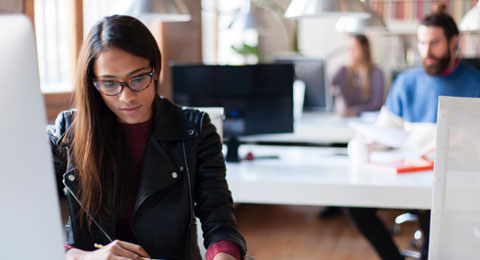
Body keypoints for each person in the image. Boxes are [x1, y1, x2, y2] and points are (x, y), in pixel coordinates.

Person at [48, 15, 246, 260]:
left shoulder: (196, 130)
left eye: (138, 78)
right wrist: (84, 257)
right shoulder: (66, 134)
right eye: (110, 84)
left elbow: (219, 220)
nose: (126, 97)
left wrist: (223, 255)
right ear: (93, 84)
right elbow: (31, 224)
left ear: (156, 70)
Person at [345, 8, 480, 260]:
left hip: (447, 180)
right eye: (421, 43)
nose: (426, 52)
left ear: (454, 41)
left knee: (433, 227)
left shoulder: (475, 83)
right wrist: (365, 143)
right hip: (409, 173)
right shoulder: (406, 81)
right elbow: (386, 132)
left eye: (434, 43)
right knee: (355, 203)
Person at [332, 34, 385, 117]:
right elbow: (326, 88)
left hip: (367, 120)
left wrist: (354, 111)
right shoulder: (342, 71)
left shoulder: (376, 73)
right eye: (348, 49)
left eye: (354, 49)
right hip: (345, 120)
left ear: (364, 49)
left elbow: (377, 104)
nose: (350, 52)